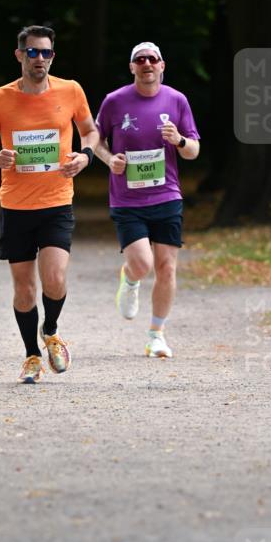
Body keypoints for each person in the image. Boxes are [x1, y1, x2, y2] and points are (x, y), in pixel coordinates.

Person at [0, 25, 99, 382]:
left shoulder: (70, 90)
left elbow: (90, 130)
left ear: (52, 56)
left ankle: (51, 330)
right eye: (33, 52)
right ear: (19, 55)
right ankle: (30, 356)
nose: (39, 59)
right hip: (15, 206)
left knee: (54, 279)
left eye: (46, 53)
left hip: (57, 201)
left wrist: (85, 157)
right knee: (24, 290)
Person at [94, 41, 200, 357]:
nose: (147, 64)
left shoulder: (177, 100)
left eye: (152, 59)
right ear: (132, 67)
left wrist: (179, 140)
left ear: (162, 65)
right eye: (140, 60)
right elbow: (96, 140)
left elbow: (193, 149)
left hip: (167, 195)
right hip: (127, 199)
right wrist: (110, 159)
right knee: (143, 263)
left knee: (166, 267)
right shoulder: (114, 101)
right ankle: (130, 278)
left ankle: (156, 334)